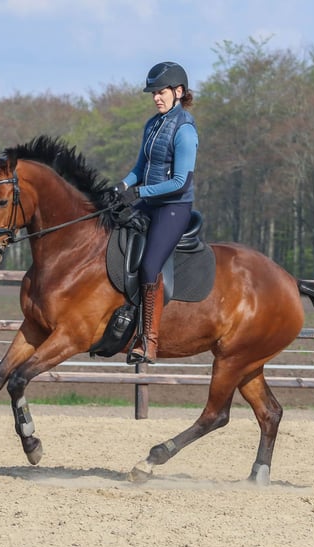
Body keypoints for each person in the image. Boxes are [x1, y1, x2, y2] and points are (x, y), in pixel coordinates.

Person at [113, 61, 199, 364]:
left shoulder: (185, 129)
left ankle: (149, 340)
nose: (156, 98)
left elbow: (180, 182)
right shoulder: (152, 124)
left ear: (178, 92)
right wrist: (120, 187)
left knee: (150, 267)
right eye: (153, 93)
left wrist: (138, 193)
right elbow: (140, 168)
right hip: (149, 202)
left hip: (173, 208)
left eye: (161, 92)